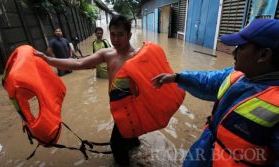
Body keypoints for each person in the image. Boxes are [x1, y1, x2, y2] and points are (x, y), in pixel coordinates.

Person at [152, 19, 279, 167]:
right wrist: (177, 78)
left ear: (263, 54)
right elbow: (207, 81)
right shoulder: (238, 75)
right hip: (204, 152)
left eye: (241, 47)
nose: (234, 52)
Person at [36, 15, 140, 166]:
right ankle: (136, 148)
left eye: (120, 35)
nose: (115, 39)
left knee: (116, 144)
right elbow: (79, 63)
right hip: (116, 105)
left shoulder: (138, 56)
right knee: (130, 136)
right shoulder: (107, 54)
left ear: (129, 35)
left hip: (132, 107)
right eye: (112, 34)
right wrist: (49, 60)